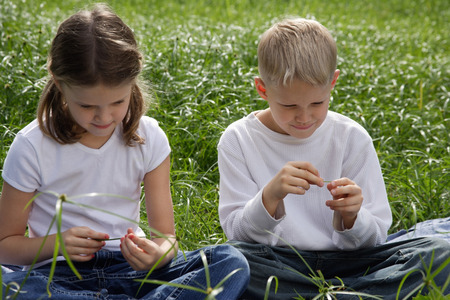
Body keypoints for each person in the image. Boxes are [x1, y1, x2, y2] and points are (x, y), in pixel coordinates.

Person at [0, 4, 249, 299]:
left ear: (133, 81)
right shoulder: (32, 146)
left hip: (133, 273)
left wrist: (157, 255)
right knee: (10, 284)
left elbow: (166, 238)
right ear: (58, 82)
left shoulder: (150, 137)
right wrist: (58, 243)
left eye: (118, 102)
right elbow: (6, 245)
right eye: (87, 105)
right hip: (60, 275)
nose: (103, 118)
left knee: (230, 262)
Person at [217, 17, 449, 299]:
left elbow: (377, 237)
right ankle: (354, 295)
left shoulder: (351, 137)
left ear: (333, 83)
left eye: (317, 103)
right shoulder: (239, 139)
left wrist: (352, 217)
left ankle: (328, 294)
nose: (304, 117)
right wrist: (269, 197)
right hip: (277, 263)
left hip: (353, 264)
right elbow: (237, 235)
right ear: (262, 89)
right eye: (288, 105)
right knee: (228, 262)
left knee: (440, 253)